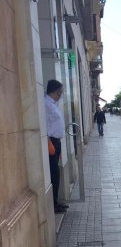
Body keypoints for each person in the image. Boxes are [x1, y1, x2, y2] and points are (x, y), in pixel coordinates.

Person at [44, 79, 69, 213]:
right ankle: (53, 204)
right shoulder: (46, 104)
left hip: (56, 142)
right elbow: (44, 125)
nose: (61, 95)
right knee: (54, 173)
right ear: (54, 91)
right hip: (51, 142)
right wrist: (49, 143)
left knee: (56, 172)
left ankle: (55, 202)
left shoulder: (53, 104)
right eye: (60, 92)